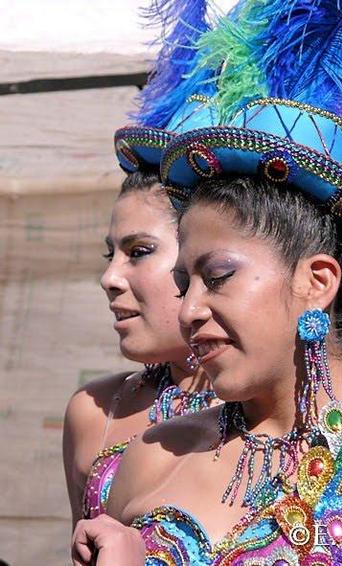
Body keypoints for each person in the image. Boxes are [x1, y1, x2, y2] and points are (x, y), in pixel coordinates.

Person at [74, 0, 342, 564]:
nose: (189, 312)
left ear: (318, 281)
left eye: (219, 277)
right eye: (185, 282)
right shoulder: (153, 454)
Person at [63, 171, 216, 528]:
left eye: (138, 252)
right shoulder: (94, 412)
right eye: (110, 253)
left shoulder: (283, 410)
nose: (109, 278)